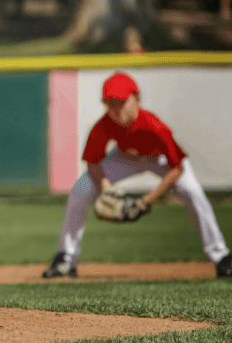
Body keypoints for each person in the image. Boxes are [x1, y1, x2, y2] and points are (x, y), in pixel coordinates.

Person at [42, 71, 232, 280]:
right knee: (81, 189)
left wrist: (147, 199)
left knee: (192, 191)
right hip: (125, 158)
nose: (116, 109)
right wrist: (106, 188)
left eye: (121, 102)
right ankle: (66, 259)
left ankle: (221, 257)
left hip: (160, 161)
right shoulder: (103, 125)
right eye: (110, 103)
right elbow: (93, 162)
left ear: (137, 99)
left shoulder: (154, 126)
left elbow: (177, 168)